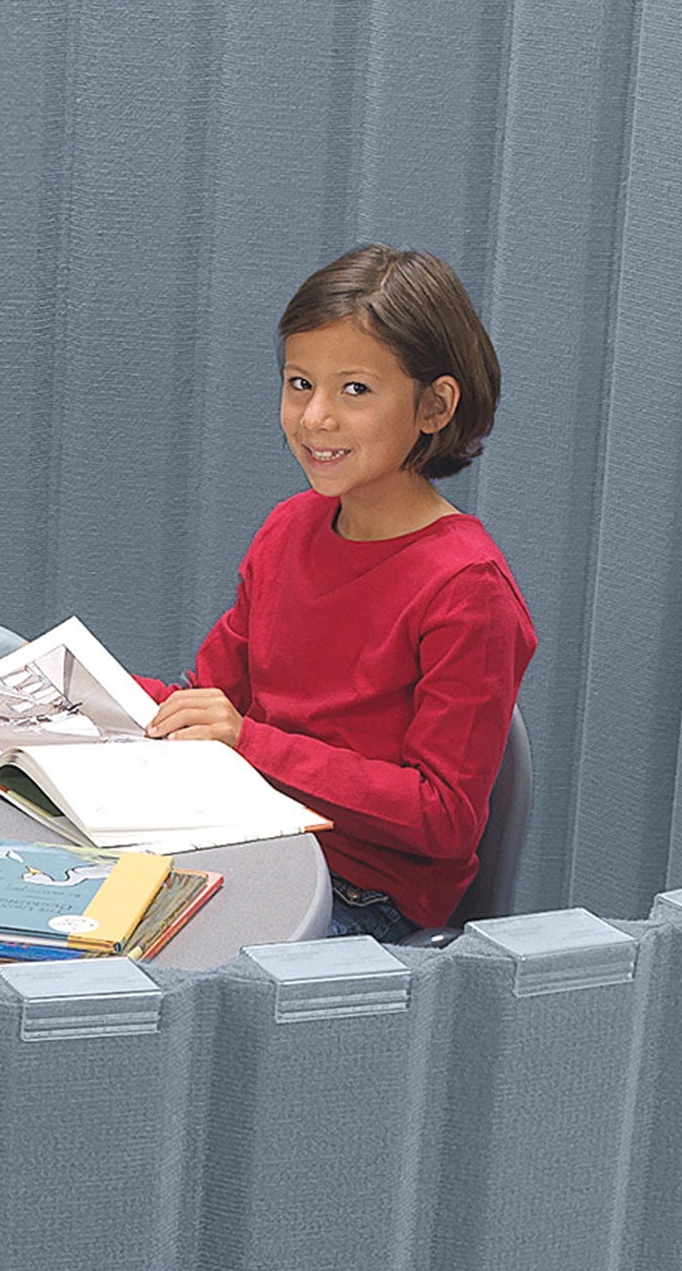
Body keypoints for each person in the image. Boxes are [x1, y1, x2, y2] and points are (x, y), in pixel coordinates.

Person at [144, 246, 536, 941]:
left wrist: (250, 745)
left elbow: (443, 818)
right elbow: (211, 703)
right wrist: (61, 687)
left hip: (366, 894)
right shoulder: (288, 528)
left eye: (355, 390)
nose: (315, 416)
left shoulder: (468, 590)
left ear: (435, 406)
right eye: (299, 383)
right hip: (248, 838)